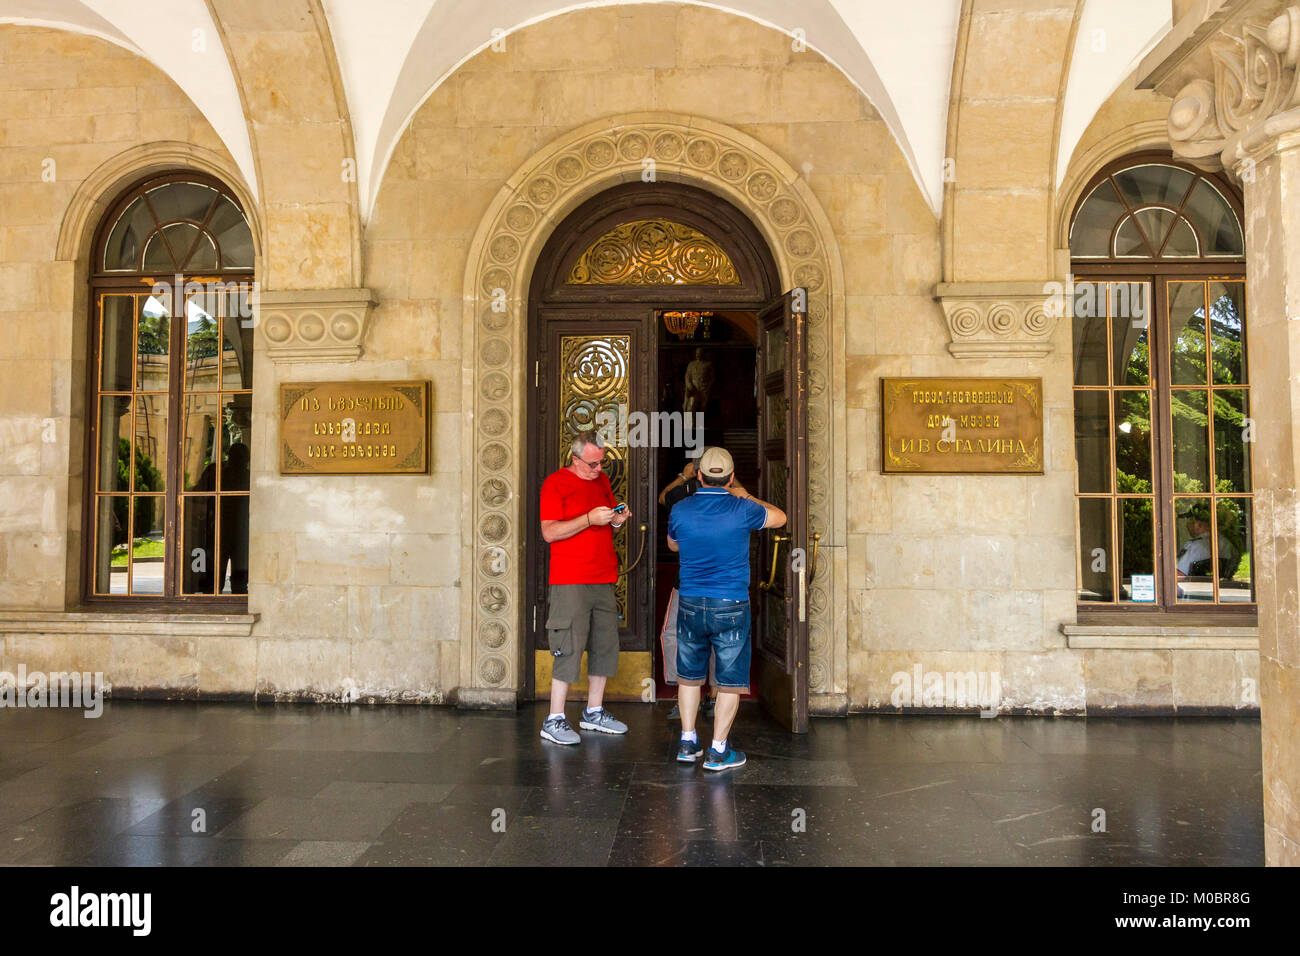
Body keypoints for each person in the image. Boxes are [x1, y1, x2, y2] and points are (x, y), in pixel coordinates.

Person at [667, 446, 785, 771]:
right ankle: (718, 750)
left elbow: (673, 544)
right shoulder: (743, 509)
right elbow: (780, 517)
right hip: (730, 603)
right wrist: (745, 495)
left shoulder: (680, 509)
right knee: (730, 679)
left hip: (691, 600)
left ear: (699, 476)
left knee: (689, 676)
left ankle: (687, 742)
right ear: (731, 477)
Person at [538, 430, 632, 745]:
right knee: (569, 644)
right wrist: (589, 519)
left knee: (605, 644)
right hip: (570, 578)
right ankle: (554, 718)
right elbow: (550, 532)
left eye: (601, 463)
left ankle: (594, 711)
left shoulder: (602, 481)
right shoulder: (555, 483)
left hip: (603, 575)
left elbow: (606, 524)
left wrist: (617, 520)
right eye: (592, 464)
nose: (599, 469)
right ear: (575, 458)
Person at [658, 454, 716, 720]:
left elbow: (663, 498)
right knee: (715, 638)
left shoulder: (683, 501)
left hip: (691, 581)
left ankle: (686, 694)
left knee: (674, 634)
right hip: (718, 583)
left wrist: (684, 475)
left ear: (698, 472)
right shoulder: (734, 500)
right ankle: (711, 696)